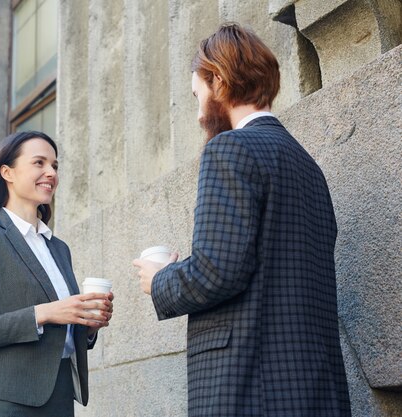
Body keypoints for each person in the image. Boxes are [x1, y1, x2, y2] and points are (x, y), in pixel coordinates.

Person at [132, 23, 351, 416]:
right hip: (312, 387)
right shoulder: (307, 165)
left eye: (198, 96)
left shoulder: (229, 149)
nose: (199, 115)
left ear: (218, 80)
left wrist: (161, 277)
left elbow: (218, 270)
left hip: (252, 387)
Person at [0, 130, 113, 417]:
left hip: (59, 401)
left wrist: (87, 325)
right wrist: (44, 313)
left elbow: (62, 332)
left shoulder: (59, 248)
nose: (50, 172)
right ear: (8, 172)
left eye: (54, 165)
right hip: (4, 403)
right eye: (39, 163)